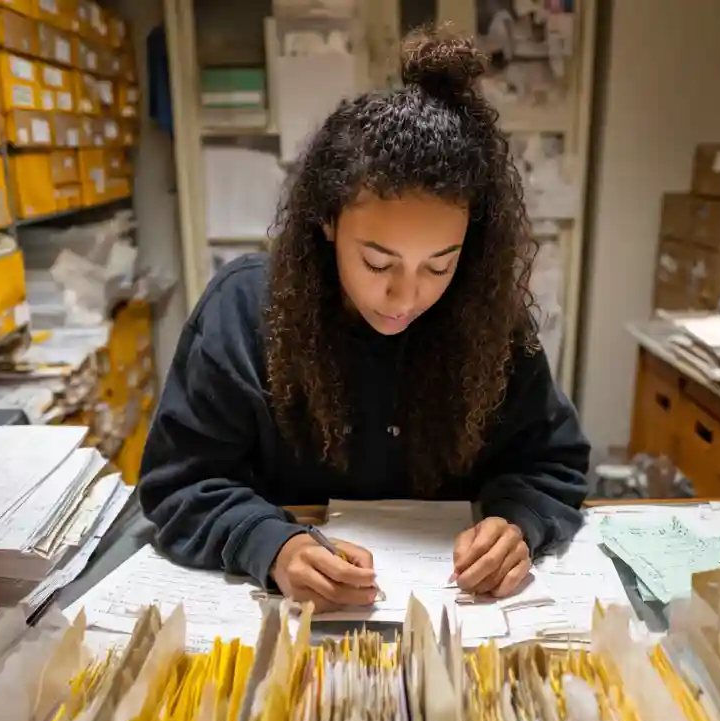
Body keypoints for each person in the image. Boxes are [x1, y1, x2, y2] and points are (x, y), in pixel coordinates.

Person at [138, 28, 590, 611]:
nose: (405, 296)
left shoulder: (485, 317)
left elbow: (550, 460)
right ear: (328, 222)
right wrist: (269, 544)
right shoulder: (245, 310)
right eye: (378, 261)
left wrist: (518, 523)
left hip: (456, 613)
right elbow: (179, 482)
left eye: (439, 265)